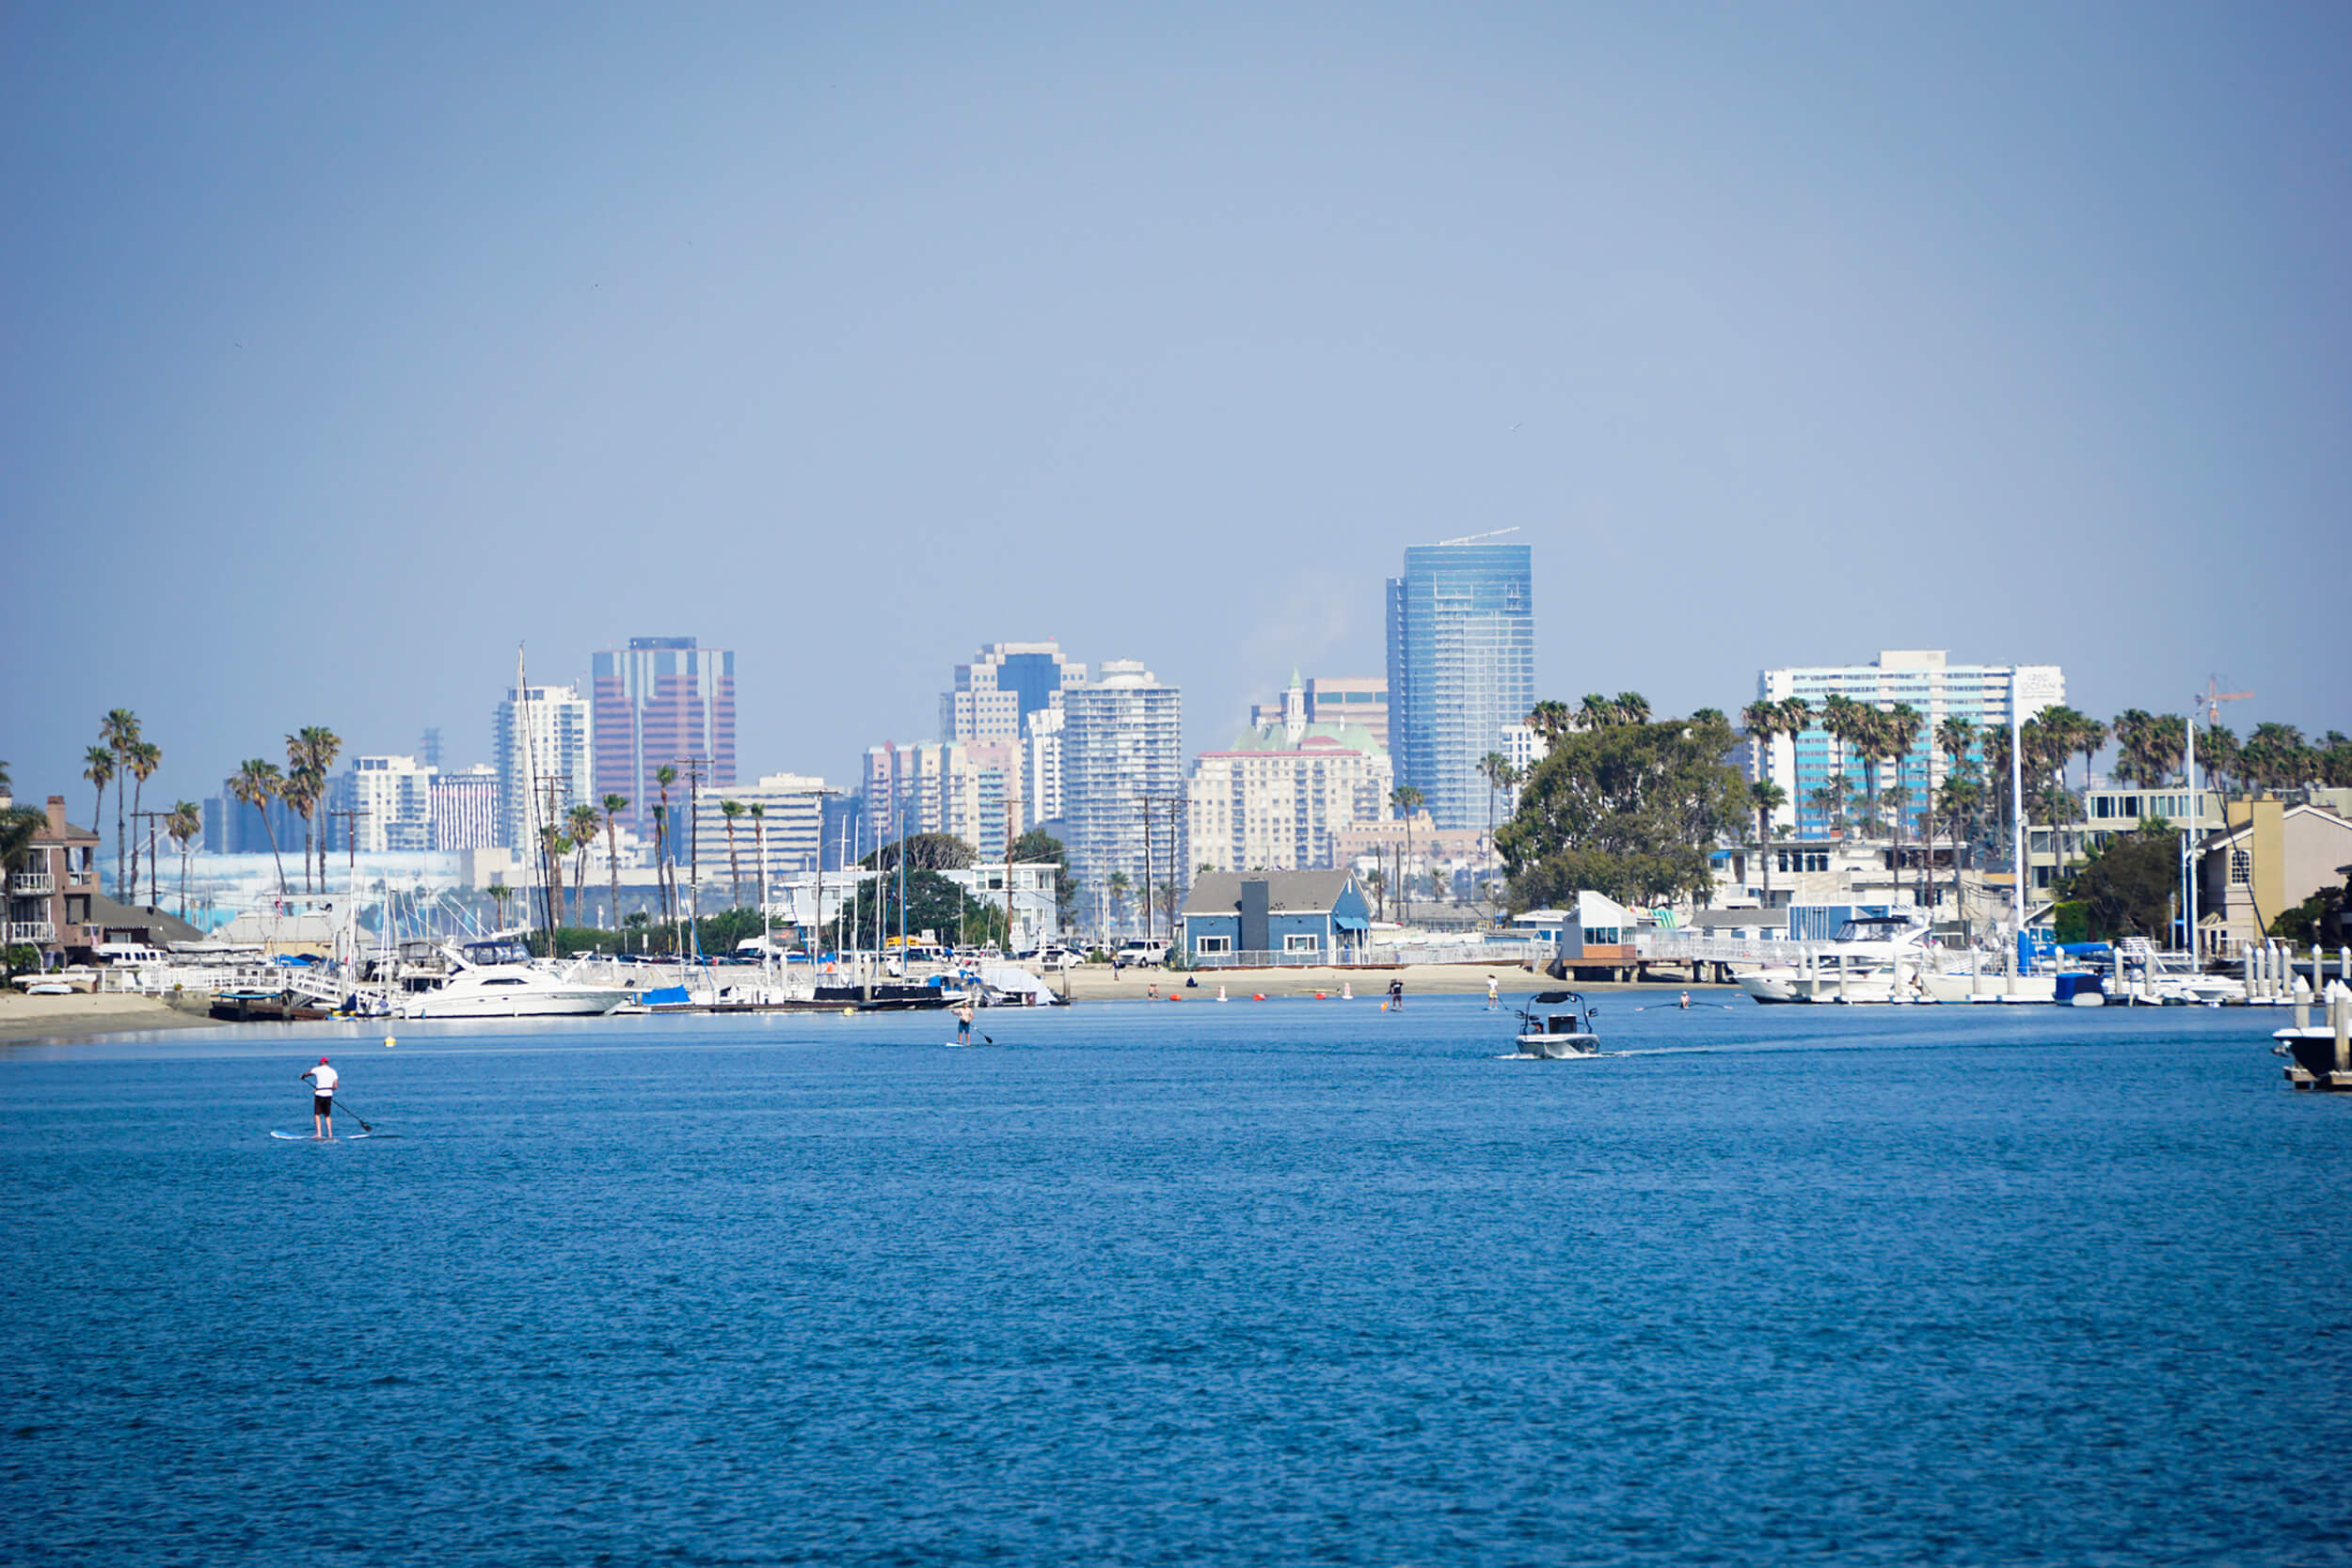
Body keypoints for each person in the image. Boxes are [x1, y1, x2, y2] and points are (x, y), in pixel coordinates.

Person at [300, 1056, 339, 1139]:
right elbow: (335, 1086)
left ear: (321, 1063)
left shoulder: (317, 1069)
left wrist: (303, 1076)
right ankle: (330, 1134)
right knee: (327, 1115)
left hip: (319, 1094)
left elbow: (308, 1073)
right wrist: (329, 1090)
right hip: (329, 1095)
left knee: (317, 1114)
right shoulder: (333, 1071)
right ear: (327, 1063)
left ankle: (319, 1133)